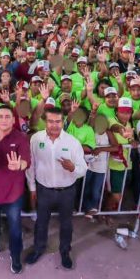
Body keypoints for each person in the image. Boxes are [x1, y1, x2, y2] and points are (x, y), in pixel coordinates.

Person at [25, 107, 87, 270]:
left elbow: (83, 169)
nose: (54, 125)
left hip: (67, 191)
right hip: (43, 190)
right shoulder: (36, 139)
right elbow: (31, 165)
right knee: (41, 222)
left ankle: (65, 252)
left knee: (66, 224)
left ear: (63, 121)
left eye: (58, 121)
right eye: (51, 121)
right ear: (45, 121)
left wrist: (73, 168)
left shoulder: (72, 142)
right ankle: (38, 249)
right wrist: (32, 188)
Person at [0, 104, 30, 274]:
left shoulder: (21, 138)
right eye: (0, 116)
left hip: (13, 192)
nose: (3, 119)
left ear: (13, 119)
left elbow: (26, 161)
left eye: (7, 116)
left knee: (15, 226)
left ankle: (15, 255)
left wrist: (19, 165)